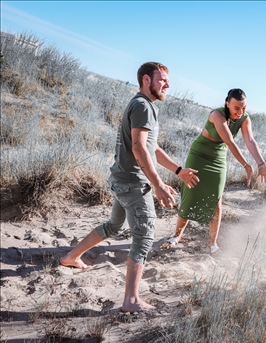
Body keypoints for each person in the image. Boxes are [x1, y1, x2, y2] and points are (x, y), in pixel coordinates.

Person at [60, 62, 200, 312]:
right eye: (162, 79)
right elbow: (138, 148)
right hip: (134, 184)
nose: (167, 84)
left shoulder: (145, 106)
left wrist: (178, 171)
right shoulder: (143, 106)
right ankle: (131, 301)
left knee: (114, 225)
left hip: (123, 179)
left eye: (167, 80)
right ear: (147, 79)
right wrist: (157, 185)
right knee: (144, 236)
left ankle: (71, 257)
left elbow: (151, 148)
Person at [164, 88, 266, 253]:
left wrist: (261, 163)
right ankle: (177, 235)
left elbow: (250, 140)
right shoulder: (217, 115)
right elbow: (230, 141)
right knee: (190, 192)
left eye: (244, 108)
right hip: (199, 155)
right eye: (237, 108)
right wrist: (246, 165)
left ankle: (213, 244)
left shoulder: (244, 118)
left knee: (216, 200)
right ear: (227, 104)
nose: (240, 112)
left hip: (218, 159)